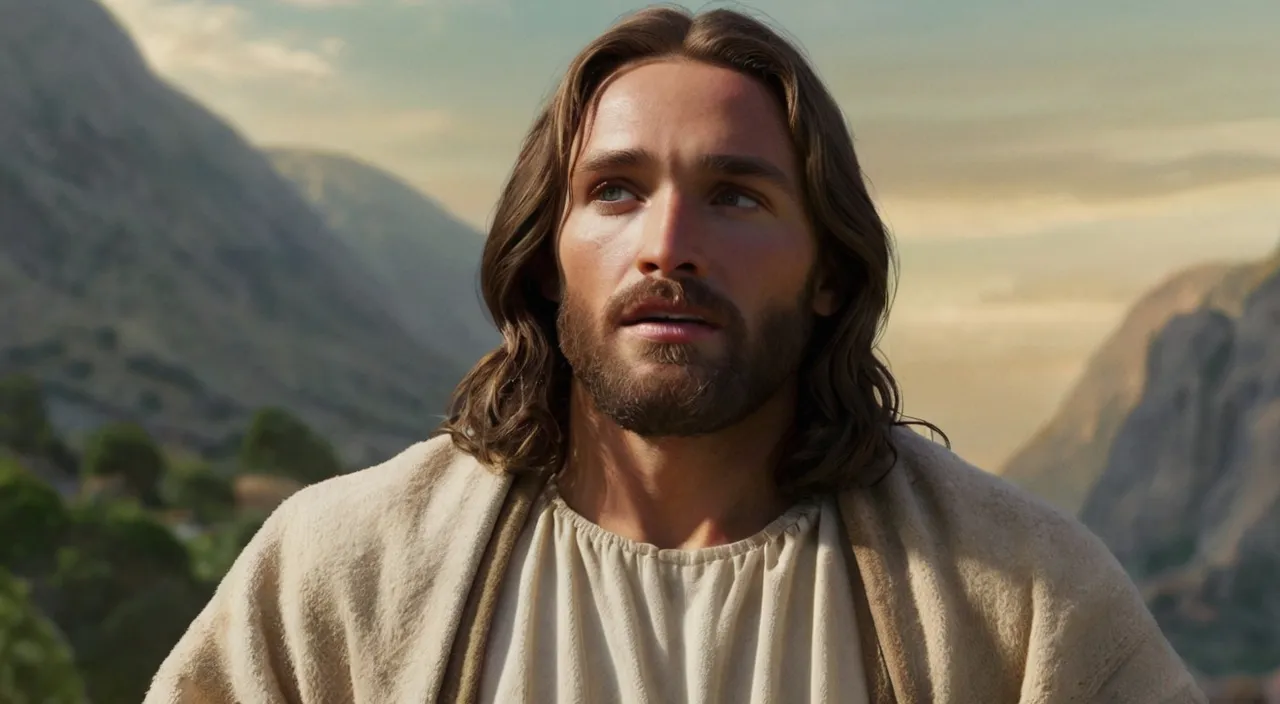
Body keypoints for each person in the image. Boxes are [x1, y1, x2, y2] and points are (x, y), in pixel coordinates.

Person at [146, 6, 1205, 704]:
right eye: (614, 189)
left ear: (827, 268)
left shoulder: (1019, 598)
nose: (667, 244)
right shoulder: (338, 574)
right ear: (549, 257)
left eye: (734, 195)